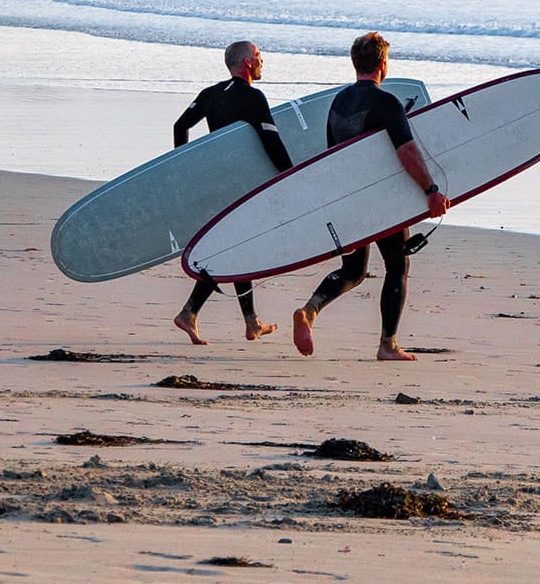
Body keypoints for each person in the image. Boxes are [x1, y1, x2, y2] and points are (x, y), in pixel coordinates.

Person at [292, 32, 447, 362]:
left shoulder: (339, 102)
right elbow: (406, 151)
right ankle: (387, 344)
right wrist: (431, 190)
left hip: (348, 197)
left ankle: (310, 310)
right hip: (379, 199)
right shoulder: (387, 103)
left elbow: (332, 155)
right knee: (396, 266)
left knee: (353, 270)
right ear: (382, 64)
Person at [171, 41, 293, 344]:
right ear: (247, 64)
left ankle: (247, 321)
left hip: (216, 184)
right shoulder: (253, 97)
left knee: (235, 249)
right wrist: (291, 177)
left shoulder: (211, 94)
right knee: (235, 250)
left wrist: (184, 166)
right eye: (260, 57)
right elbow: (271, 142)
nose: (263, 61)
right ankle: (191, 313)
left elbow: (180, 126)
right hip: (241, 188)